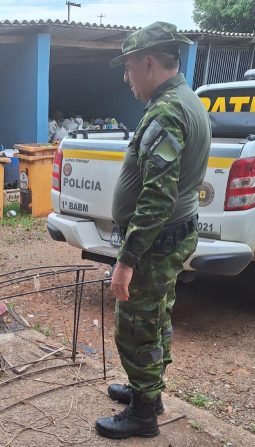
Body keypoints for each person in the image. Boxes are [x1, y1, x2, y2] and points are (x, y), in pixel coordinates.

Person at [95, 22, 211, 439]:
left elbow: (157, 198)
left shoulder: (166, 111)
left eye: (128, 68)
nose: (126, 78)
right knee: (157, 315)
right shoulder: (188, 100)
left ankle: (144, 415)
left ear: (148, 62)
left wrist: (127, 260)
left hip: (155, 243)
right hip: (173, 236)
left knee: (135, 325)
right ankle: (149, 392)